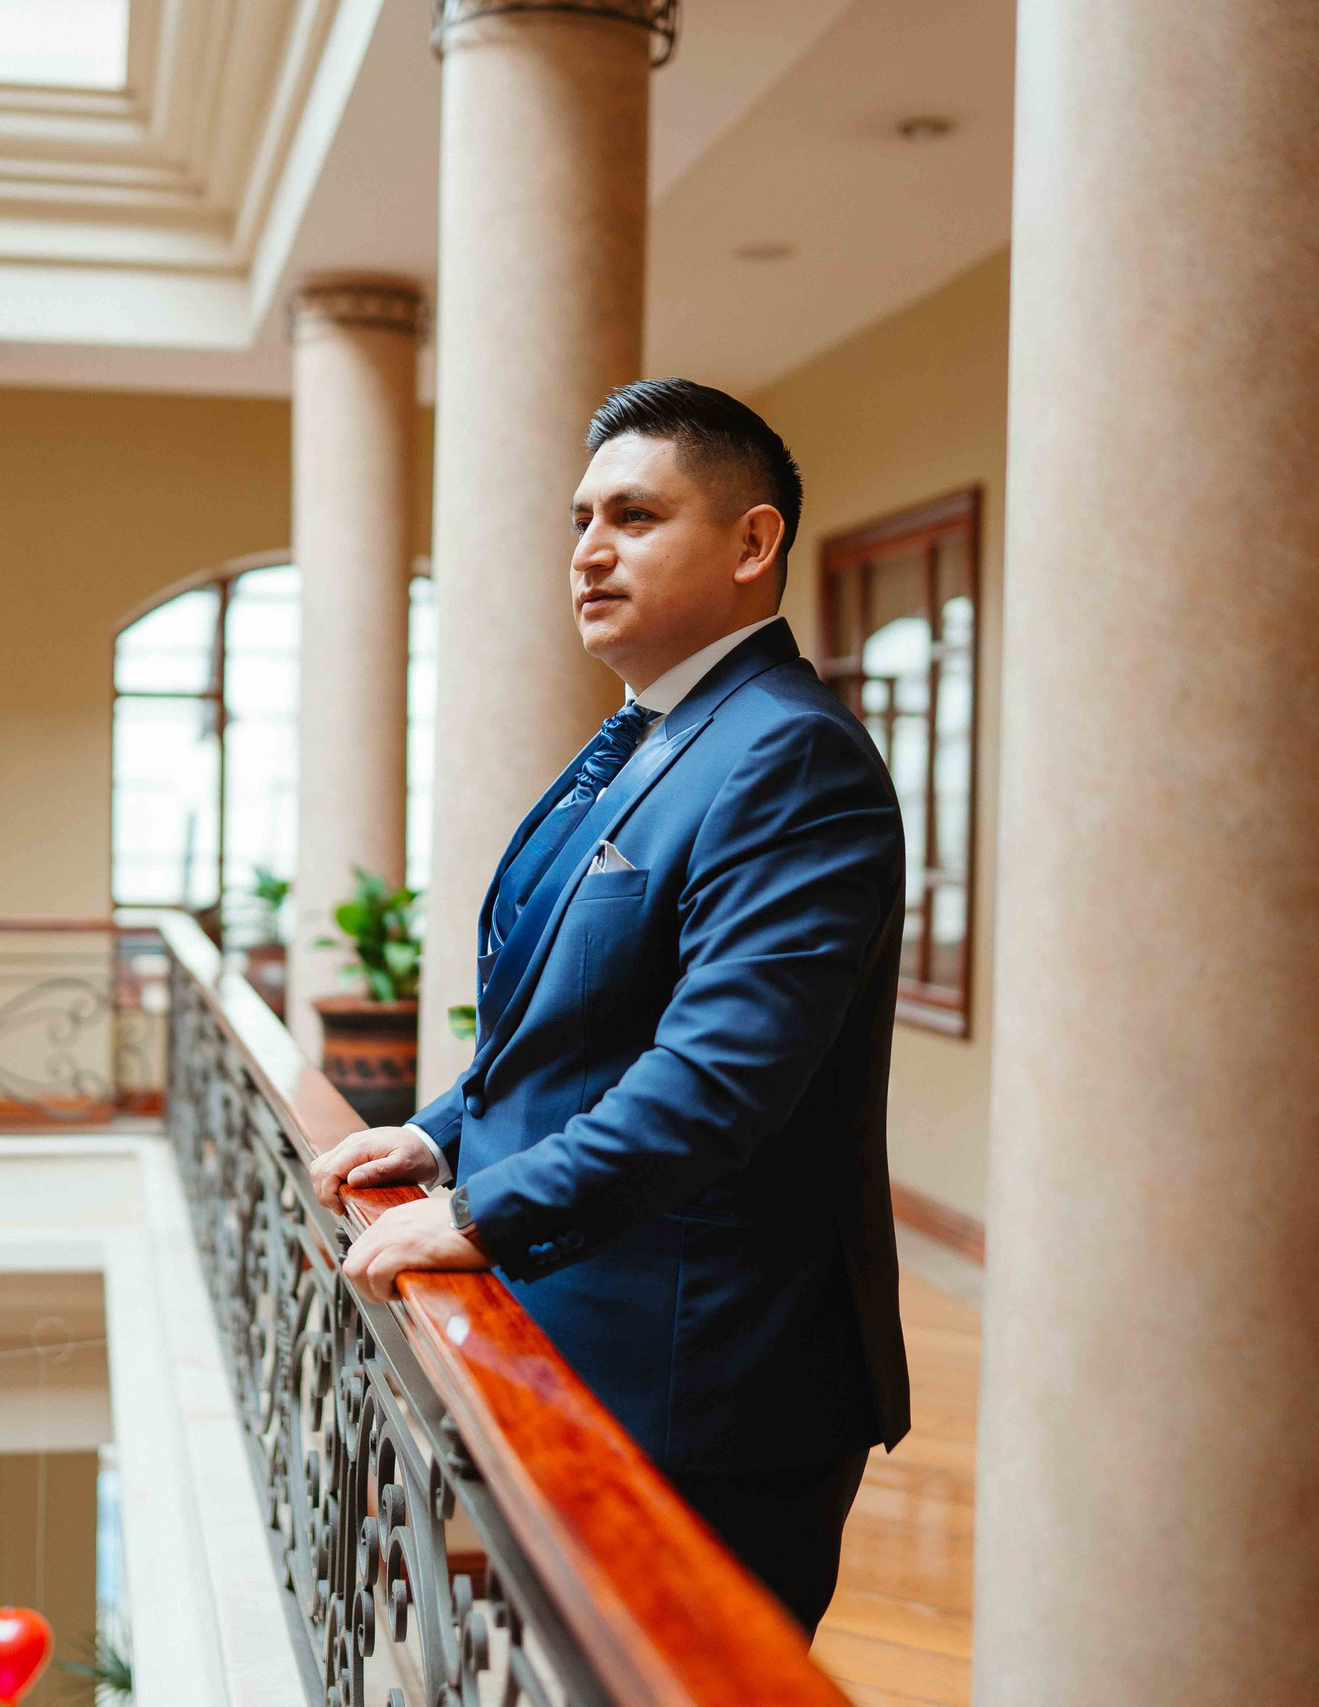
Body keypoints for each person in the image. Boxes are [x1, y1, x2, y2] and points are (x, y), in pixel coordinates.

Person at [307, 377, 911, 1635]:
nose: (588, 551)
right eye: (581, 517)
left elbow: (715, 1081)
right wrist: (442, 1132)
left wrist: (476, 1213)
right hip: (589, 1349)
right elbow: (580, 1015)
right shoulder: (654, 737)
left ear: (753, 544)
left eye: (634, 516)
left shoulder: (790, 755)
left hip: (707, 1385)